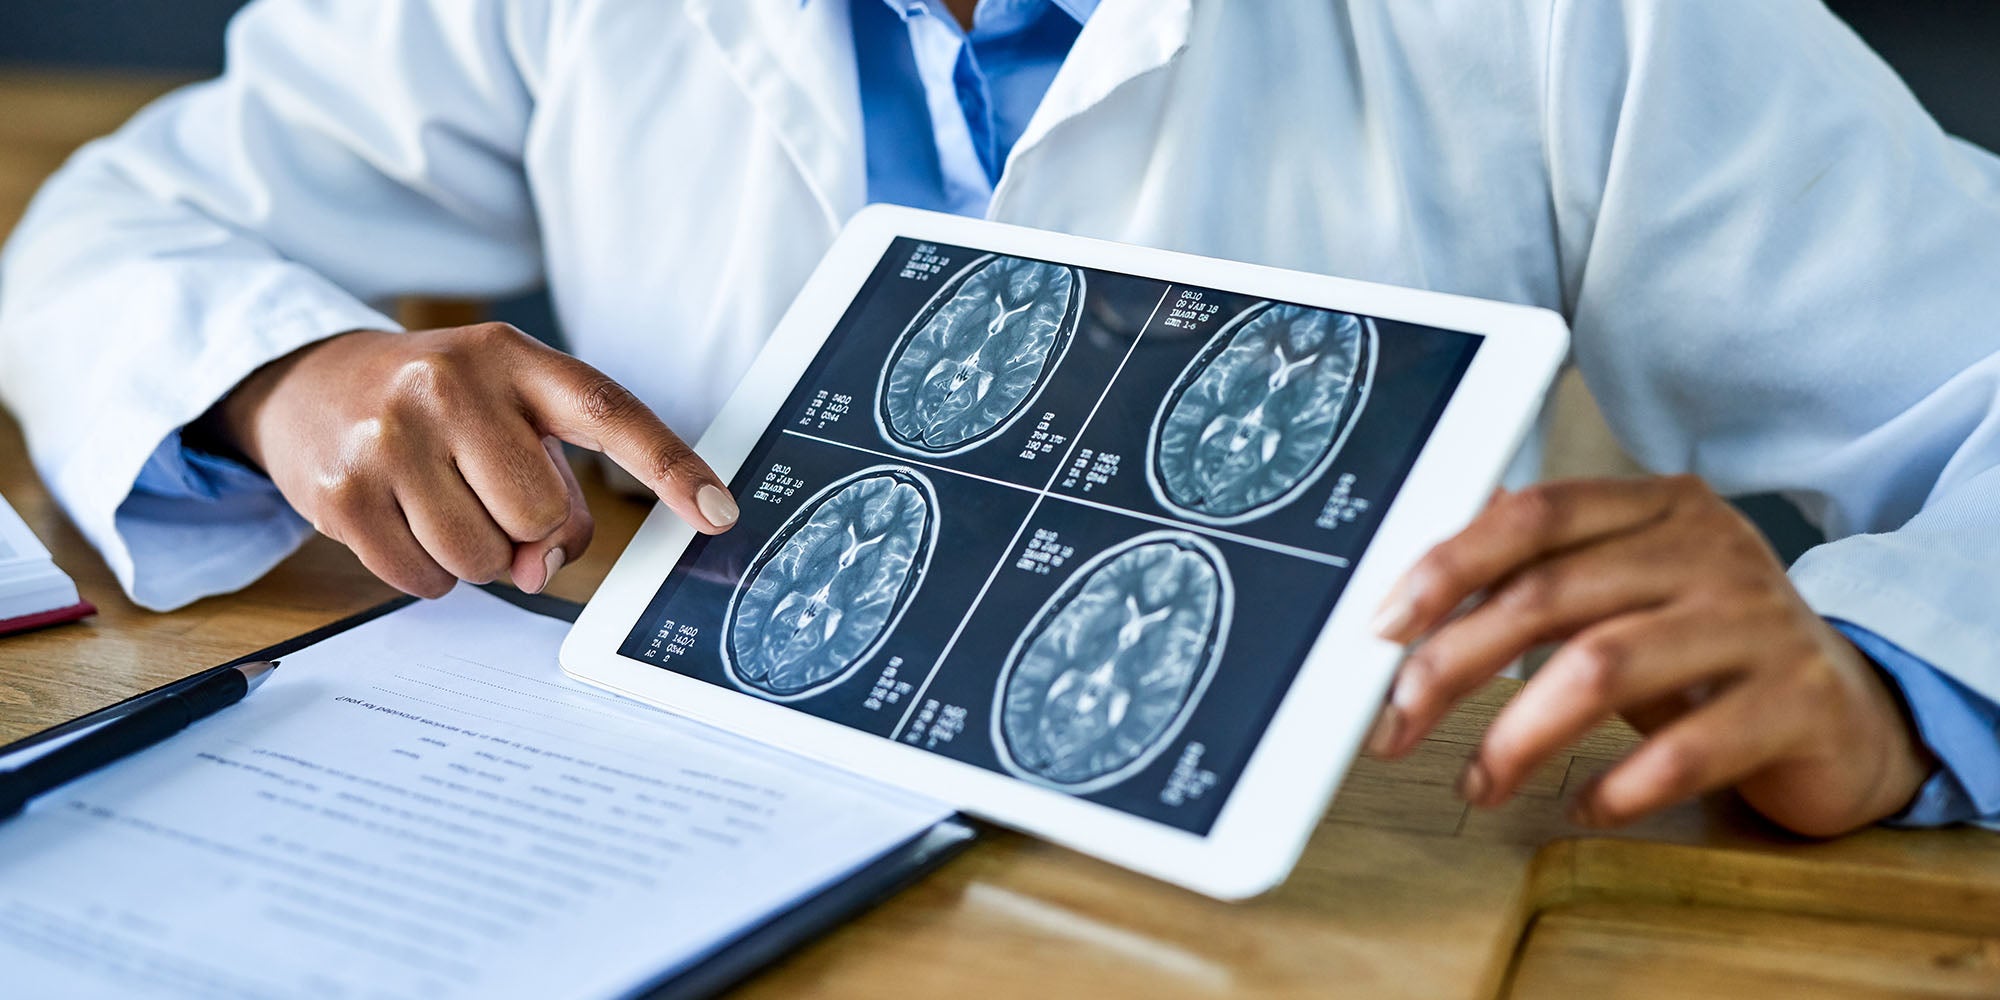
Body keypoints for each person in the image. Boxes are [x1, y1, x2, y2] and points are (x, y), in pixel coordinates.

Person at [2, 0, 1996, 839]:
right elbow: (134, 215)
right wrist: (285, 374)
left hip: (1349, 890)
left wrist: (1894, 686)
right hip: (685, 843)